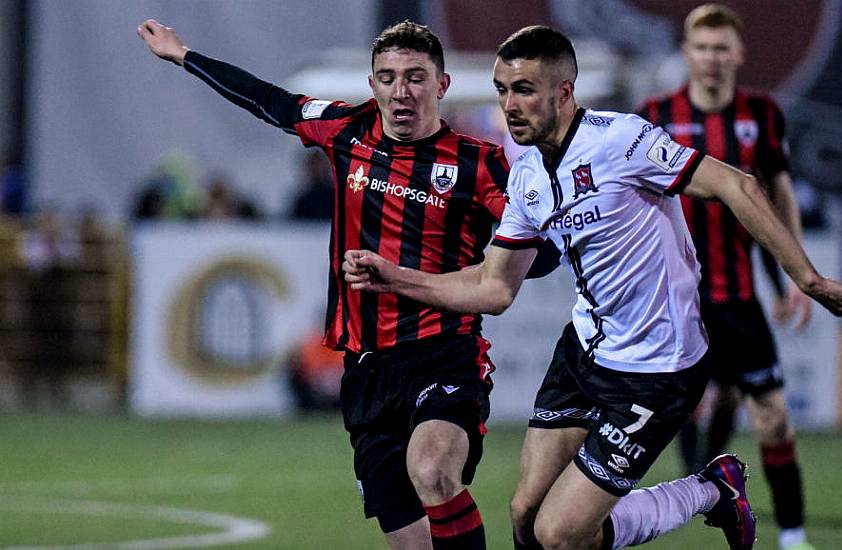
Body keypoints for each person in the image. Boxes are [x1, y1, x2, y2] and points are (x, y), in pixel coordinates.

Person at [343, 25, 842, 550]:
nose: (510, 105)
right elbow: (493, 288)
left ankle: (710, 490)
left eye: (525, 90)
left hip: (657, 369)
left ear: (564, 93)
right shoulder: (529, 175)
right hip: (584, 354)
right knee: (525, 519)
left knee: (560, 535)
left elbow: (735, 184)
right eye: (502, 91)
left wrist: (807, 278)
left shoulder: (620, 141)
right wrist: (396, 277)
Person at [137, 18, 559, 550]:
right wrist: (185, 56)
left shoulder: (481, 164)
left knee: (433, 471)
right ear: (372, 84)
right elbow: (268, 100)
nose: (400, 91)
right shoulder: (346, 130)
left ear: (441, 85)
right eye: (387, 77)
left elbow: (538, 255)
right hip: (364, 367)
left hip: (443, 353)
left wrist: (521, 253)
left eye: (415, 77)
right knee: (410, 540)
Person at [638, 5, 816, 549]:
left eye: (722, 48)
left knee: (774, 418)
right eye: (703, 47)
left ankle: (792, 535)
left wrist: (794, 273)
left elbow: (776, 193)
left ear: (738, 54)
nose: (713, 58)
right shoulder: (655, 113)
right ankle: (697, 483)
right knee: (676, 404)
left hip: (737, 296)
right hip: (675, 298)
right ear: (687, 53)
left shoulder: (760, 114)